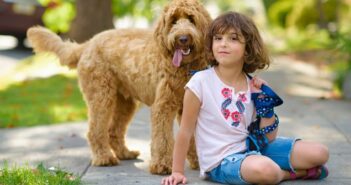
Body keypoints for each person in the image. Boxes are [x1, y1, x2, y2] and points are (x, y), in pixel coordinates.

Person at [161, 11, 329, 185]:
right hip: (222, 160)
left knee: (320, 153)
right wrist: (177, 172)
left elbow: (269, 138)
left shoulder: (252, 85)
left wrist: (264, 104)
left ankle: (278, 167)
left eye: (233, 39)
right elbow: (185, 131)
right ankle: (291, 174)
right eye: (218, 38)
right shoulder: (200, 82)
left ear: (248, 47)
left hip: (253, 148)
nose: (223, 44)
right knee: (266, 170)